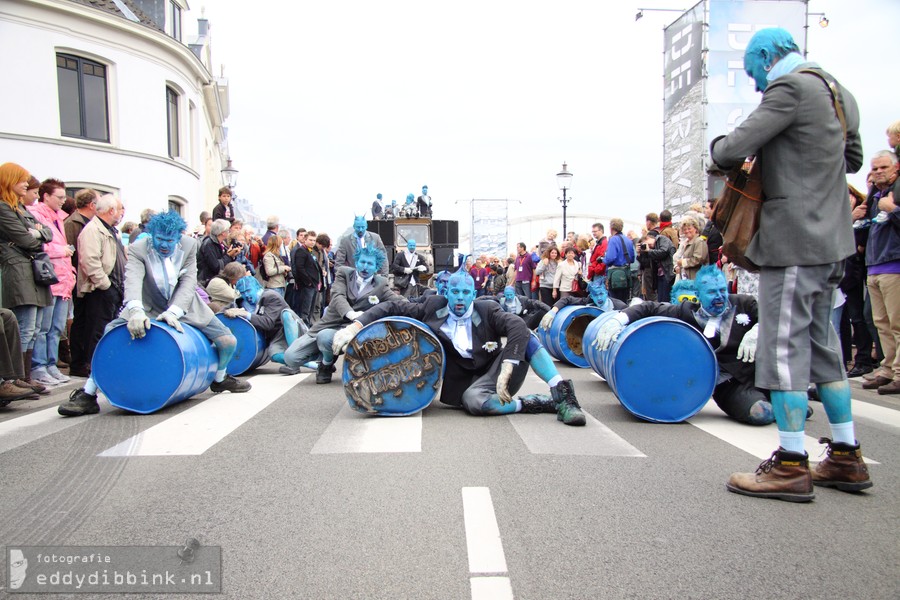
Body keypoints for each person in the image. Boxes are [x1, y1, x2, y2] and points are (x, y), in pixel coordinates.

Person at [710, 28, 869, 501]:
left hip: (794, 240)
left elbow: (728, 150)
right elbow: (854, 159)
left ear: (764, 56)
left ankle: (791, 463)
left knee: (782, 351)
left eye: (752, 72)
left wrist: (745, 146)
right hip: (833, 239)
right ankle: (845, 455)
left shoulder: (789, 87)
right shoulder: (840, 93)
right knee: (825, 350)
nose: (756, 83)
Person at [333, 268, 586, 426]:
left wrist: (509, 363)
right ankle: (534, 403)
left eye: (466, 293)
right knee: (476, 404)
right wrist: (355, 327)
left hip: (497, 371)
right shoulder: (432, 306)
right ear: (448, 292)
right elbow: (391, 307)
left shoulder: (488, 310)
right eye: (455, 292)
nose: (460, 299)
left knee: (526, 335)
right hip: (467, 386)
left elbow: (517, 326)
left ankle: (563, 395)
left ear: (473, 294)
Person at [59, 212, 251, 416]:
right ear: (152, 235)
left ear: (178, 237)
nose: (165, 245)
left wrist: (174, 312)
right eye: (159, 239)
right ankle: (88, 394)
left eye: (170, 240)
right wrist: (135, 311)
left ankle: (220, 379)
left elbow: (187, 285)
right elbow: (132, 280)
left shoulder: (189, 245)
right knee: (110, 333)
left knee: (228, 341)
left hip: (185, 305)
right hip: (148, 304)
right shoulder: (138, 248)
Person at [594, 266, 812, 426]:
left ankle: (788, 398)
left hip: (760, 372)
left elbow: (777, 316)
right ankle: (781, 405)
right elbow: (649, 307)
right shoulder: (686, 312)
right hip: (727, 385)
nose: (719, 297)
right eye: (711, 292)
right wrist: (619, 319)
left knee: (792, 397)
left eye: (722, 291)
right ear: (698, 295)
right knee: (760, 414)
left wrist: (759, 329)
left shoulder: (746, 303)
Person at [279, 246, 403, 383]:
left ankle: (326, 364)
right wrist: (352, 314)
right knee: (291, 358)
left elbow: (399, 302)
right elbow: (338, 297)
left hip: (354, 332)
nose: (365, 267)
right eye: (362, 262)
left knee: (325, 337)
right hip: (331, 323)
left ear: (376, 267)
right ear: (356, 262)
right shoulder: (344, 273)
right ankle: (308, 334)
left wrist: (423, 304)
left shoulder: (381, 284)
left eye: (370, 264)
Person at [0, 164, 54, 395]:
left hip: (30, 269)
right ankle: (17, 377)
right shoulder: (4, 208)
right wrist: (36, 233)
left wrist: (38, 233)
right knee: (25, 326)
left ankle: (25, 376)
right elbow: (29, 240)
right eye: (22, 180)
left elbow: (48, 233)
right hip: (18, 269)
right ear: (9, 180)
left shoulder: (19, 208)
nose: (26, 183)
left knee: (33, 328)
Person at [27, 178, 76, 385]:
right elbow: (37, 245)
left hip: (63, 280)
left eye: (65, 197)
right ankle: (39, 366)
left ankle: (51, 364)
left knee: (56, 327)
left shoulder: (59, 217)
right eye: (59, 197)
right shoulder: (35, 215)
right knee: (43, 327)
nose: (63, 201)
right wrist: (61, 251)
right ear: (45, 196)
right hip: (48, 279)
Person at [859, 150, 900, 394]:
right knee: (880, 323)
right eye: (874, 169)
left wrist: (892, 209)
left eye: (883, 167)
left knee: (897, 323)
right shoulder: (874, 197)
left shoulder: (894, 194)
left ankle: (898, 372)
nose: (877, 172)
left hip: (894, 264)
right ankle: (887, 369)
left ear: (895, 168)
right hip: (874, 264)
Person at [231, 275, 307, 366]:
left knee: (286, 314)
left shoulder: (271, 296)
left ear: (256, 287)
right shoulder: (240, 303)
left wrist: (246, 314)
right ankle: (297, 363)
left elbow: (268, 323)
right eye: (243, 292)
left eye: (248, 290)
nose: (246, 295)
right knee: (274, 355)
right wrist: (229, 311)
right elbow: (221, 314)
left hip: (291, 329)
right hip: (276, 337)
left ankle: (295, 355)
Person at [540, 277, 627, 332]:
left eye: (601, 294)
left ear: (606, 292)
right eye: (595, 295)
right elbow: (566, 299)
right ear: (591, 296)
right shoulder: (588, 302)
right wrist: (553, 311)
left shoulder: (620, 306)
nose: (599, 298)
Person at [486, 285, 550, 330]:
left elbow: (536, 302)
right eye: (507, 295)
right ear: (504, 294)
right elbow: (487, 298)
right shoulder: (500, 300)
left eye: (511, 295)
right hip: (507, 322)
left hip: (523, 321)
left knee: (542, 312)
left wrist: (550, 310)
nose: (509, 297)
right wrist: (476, 301)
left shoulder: (522, 299)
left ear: (514, 293)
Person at [291, 228, 321, 324]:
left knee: (310, 309)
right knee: (305, 310)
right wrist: (308, 282)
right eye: (310, 240)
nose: (312, 242)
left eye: (314, 240)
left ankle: (308, 326)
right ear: (305, 240)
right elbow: (299, 268)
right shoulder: (301, 251)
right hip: (307, 286)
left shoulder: (310, 251)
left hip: (313, 285)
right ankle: (304, 328)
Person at [603, 218, 635, 303]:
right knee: (625, 301)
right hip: (626, 275)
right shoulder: (628, 240)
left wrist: (603, 260)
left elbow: (610, 258)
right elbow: (632, 259)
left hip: (615, 276)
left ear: (611, 228)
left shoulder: (613, 239)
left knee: (615, 302)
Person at [198, 219, 237, 286]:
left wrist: (233, 255)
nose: (229, 232)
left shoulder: (221, 243)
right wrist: (228, 255)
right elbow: (216, 266)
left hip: (217, 279)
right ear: (222, 232)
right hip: (207, 281)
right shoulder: (209, 244)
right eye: (227, 230)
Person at [674, 216, 708, 281]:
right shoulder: (685, 242)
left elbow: (698, 259)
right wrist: (677, 267)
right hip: (686, 279)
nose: (687, 231)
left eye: (689, 228)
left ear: (695, 229)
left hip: (697, 279)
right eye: (684, 229)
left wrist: (683, 262)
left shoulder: (699, 241)